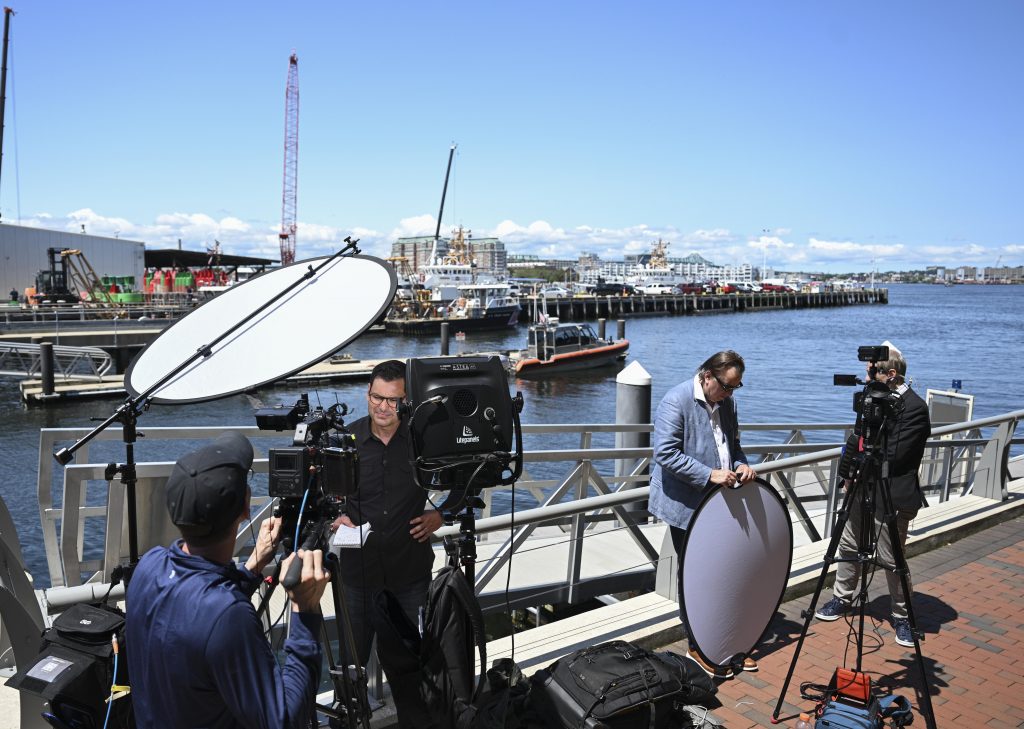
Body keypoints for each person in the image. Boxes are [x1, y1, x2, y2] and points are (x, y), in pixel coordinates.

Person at [126, 431, 331, 729]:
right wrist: (305, 610)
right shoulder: (227, 615)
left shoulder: (149, 566)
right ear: (246, 509)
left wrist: (252, 567)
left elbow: (197, 612)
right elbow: (283, 720)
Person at [331, 359, 442, 723]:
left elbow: (464, 482)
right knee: (350, 669)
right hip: (356, 578)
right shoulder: (345, 440)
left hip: (409, 576)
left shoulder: (422, 439)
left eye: (394, 401)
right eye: (378, 398)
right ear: (367, 395)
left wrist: (440, 515)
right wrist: (335, 516)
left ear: (406, 401)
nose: (384, 407)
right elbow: (321, 494)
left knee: (410, 670)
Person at [648, 350, 758, 679]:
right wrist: (709, 474)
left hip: (720, 502)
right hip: (686, 504)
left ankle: (727, 639)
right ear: (708, 376)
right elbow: (664, 453)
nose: (730, 394)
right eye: (727, 386)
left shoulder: (727, 401)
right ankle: (698, 646)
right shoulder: (675, 400)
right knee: (696, 577)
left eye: (736, 388)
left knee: (726, 572)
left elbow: (732, 445)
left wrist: (740, 464)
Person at [815, 344, 931, 648]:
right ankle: (842, 598)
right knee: (849, 542)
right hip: (862, 485)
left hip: (891, 491)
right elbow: (857, 437)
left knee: (891, 558)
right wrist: (848, 474)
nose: (868, 377)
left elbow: (897, 454)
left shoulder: (914, 407)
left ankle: (903, 617)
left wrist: (867, 449)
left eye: (873, 371)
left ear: (890, 374)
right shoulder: (872, 400)